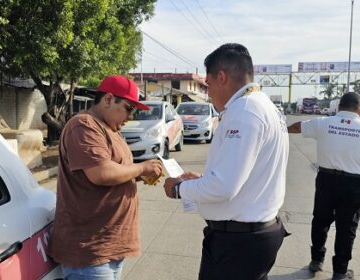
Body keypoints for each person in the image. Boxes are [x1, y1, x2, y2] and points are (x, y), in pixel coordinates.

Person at [163, 43, 289, 280]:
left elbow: (224, 187)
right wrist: (204, 180)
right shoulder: (264, 106)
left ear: (221, 77)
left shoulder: (245, 111)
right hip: (252, 237)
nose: (208, 93)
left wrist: (178, 189)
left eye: (208, 85)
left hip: (238, 244)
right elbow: (246, 175)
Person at [48, 75, 163, 280]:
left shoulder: (111, 129)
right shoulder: (84, 125)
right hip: (90, 251)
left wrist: (139, 175)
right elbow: (101, 173)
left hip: (109, 246)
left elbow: (117, 170)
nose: (130, 117)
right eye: (129, 109)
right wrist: (142, 168)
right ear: (108, 100)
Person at [287, 92, 360, 280]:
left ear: (339, 107)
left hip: (326, 181)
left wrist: (280, 130)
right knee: (346, 227)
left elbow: (296, 127)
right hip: (354, 186)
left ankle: (316, 260)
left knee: (320, 220)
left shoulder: (323, 123)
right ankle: (340, 272)